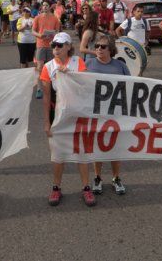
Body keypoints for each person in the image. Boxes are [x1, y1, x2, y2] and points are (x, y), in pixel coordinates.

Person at [40, 33, 93, 207]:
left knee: (81, 151)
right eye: (54, 45)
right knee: (58, 154)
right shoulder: (48, 67)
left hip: (78, 113)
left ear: (69, 46)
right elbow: (47, 96)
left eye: (60, 45)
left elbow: (86, 85)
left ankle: (86, 187)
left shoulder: (77, 62)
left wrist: (69, 74)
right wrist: (47, 122)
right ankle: (56, 187)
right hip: (59, 114)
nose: (55, 48)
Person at [85, 34, 129, 196]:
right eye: (96, 46)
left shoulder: (120, 66)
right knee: (98, 146)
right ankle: (97, 177)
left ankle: (116, 178)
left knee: (115, 147)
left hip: (115, 113)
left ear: (111, 49)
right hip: (95, 113)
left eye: (102, 46)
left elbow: (131, 87)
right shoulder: (88, 63)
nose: (98, 49)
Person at [32, 1, 61, 99]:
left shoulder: (55, 18)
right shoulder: (37, 17)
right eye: (43, 5)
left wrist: (53, 35)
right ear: (41, 7)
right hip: (40, 45)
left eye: (46, 5)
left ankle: (50, 87)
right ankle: (39, 88)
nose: (45, 7)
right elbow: (33, 31)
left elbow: (57, 31)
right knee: (40, 67)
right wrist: (39, 35)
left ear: (50, 7)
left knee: (51, 67)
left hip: (51, 45)